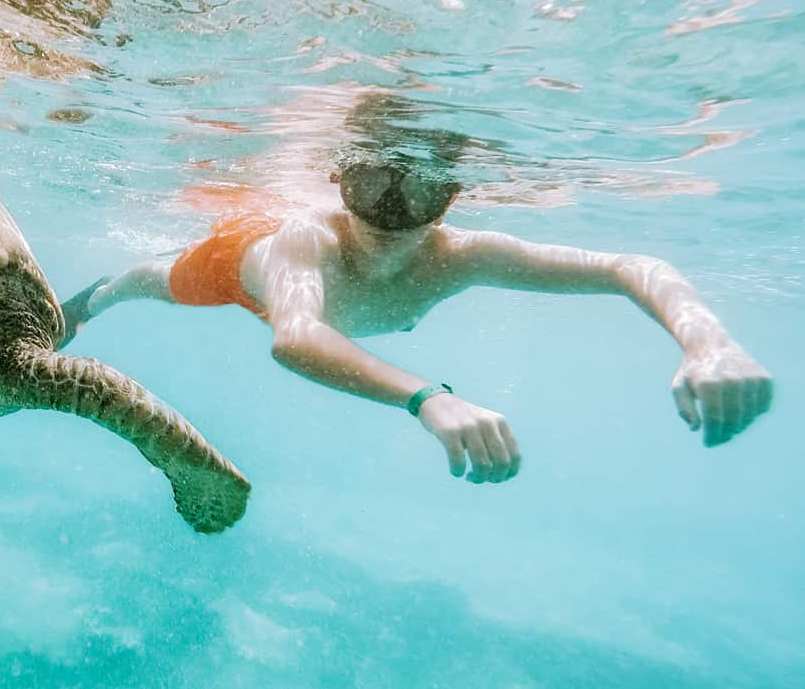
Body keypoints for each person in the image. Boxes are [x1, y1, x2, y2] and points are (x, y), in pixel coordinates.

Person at [60, 139, 774, 484]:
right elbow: (297, 334)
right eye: (372, 185)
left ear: (453, 195)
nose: (392, 214)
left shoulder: (464, 254)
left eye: (422, 188)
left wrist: (707, 342)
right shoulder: (308, 238)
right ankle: (99, 293)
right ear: (341, 181)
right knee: (152, 282)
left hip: (295, 288)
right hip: (238, 270)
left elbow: (630, 266)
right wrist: (427, 397)